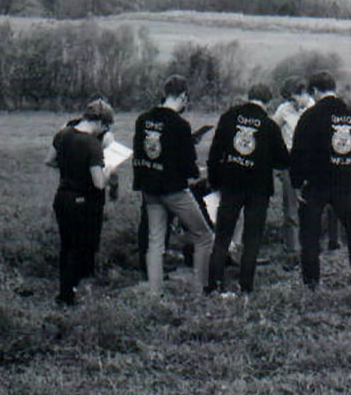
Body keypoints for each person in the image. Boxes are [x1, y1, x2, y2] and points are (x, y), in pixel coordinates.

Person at [290, 70, 351, 288]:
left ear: (315, 91)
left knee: (310, 235)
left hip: (316, 186)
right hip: (343, 185)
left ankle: (311, 283)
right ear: (334, 88)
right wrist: (349, 176)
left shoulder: (309, 117)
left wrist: (298, 184)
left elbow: (298, 154)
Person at [133, 74, 213, 297]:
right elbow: (189, 167)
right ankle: (201, 288)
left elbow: (141, 155)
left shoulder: (143, 119)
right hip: (174, 191)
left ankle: (154, 293)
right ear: (183, 96)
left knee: (155, 241)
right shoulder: (180, 124)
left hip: (149, 189)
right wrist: (196, 173)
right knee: (204, 236)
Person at [205, 84, 290, 294]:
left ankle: (215, 284)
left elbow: (215, 153)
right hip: (258, 189)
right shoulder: (270, 126)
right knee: (252, 239)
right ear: (268, 102)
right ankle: (246, 286)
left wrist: (215, 182)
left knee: (222, 236)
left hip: (231, 185)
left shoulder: (228, 117)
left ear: (248, 97)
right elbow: (282, 161)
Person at [45, 98, 116, 305]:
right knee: (81, 248)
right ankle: (68, 296)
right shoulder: (92, 144)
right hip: (84, 202)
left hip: (62, 197)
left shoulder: (62, 134)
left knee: (67, 247)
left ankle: (66, 290)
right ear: (101, 123)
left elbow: (49, 160)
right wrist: (109, 169)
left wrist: (71, 168)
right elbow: (99, 183)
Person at [272, 76, 314, 261]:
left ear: (303, 93)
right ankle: (292, 250)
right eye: (290, 99)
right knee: (290, 208)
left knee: (311, 203)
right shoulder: (283, 110)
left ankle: (311, 247)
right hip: (289, 160)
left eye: (295, 97)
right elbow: (271, 131)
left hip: (310, 161)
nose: (293, 102)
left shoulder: (314, 108)